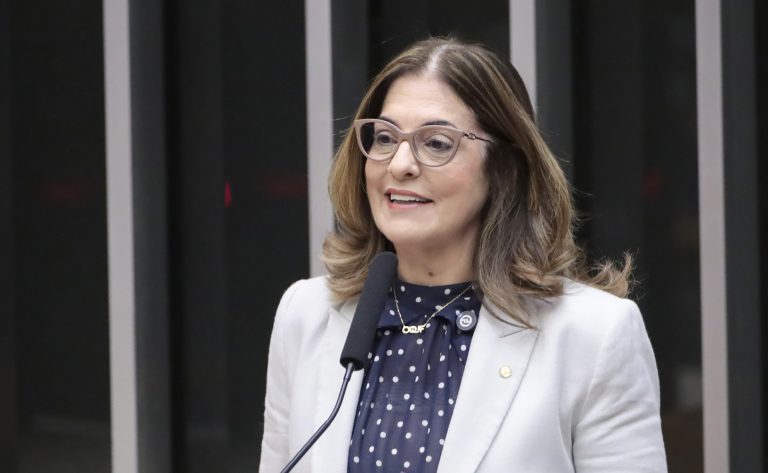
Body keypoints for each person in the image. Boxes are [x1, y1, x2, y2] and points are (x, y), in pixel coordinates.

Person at [259, 37, 667, 473]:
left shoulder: (594, 335)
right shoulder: (305, 315)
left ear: (505, 168)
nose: (399, 164)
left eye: (436, 143)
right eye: (385, 137)